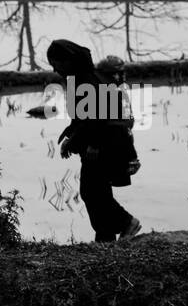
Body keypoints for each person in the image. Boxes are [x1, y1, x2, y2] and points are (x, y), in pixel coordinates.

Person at [45, 40, 142, 242]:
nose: (55, 68)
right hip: (100, 143)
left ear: (68, 60)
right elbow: (83, 116)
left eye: (56, 63)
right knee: (96, 191)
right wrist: (70, 133)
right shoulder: (81, 78)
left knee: (92, 192)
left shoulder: (86, 80)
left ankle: (126, 222)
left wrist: (88, 144)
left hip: (102, 145)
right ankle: (105, 238)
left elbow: (97, 118)